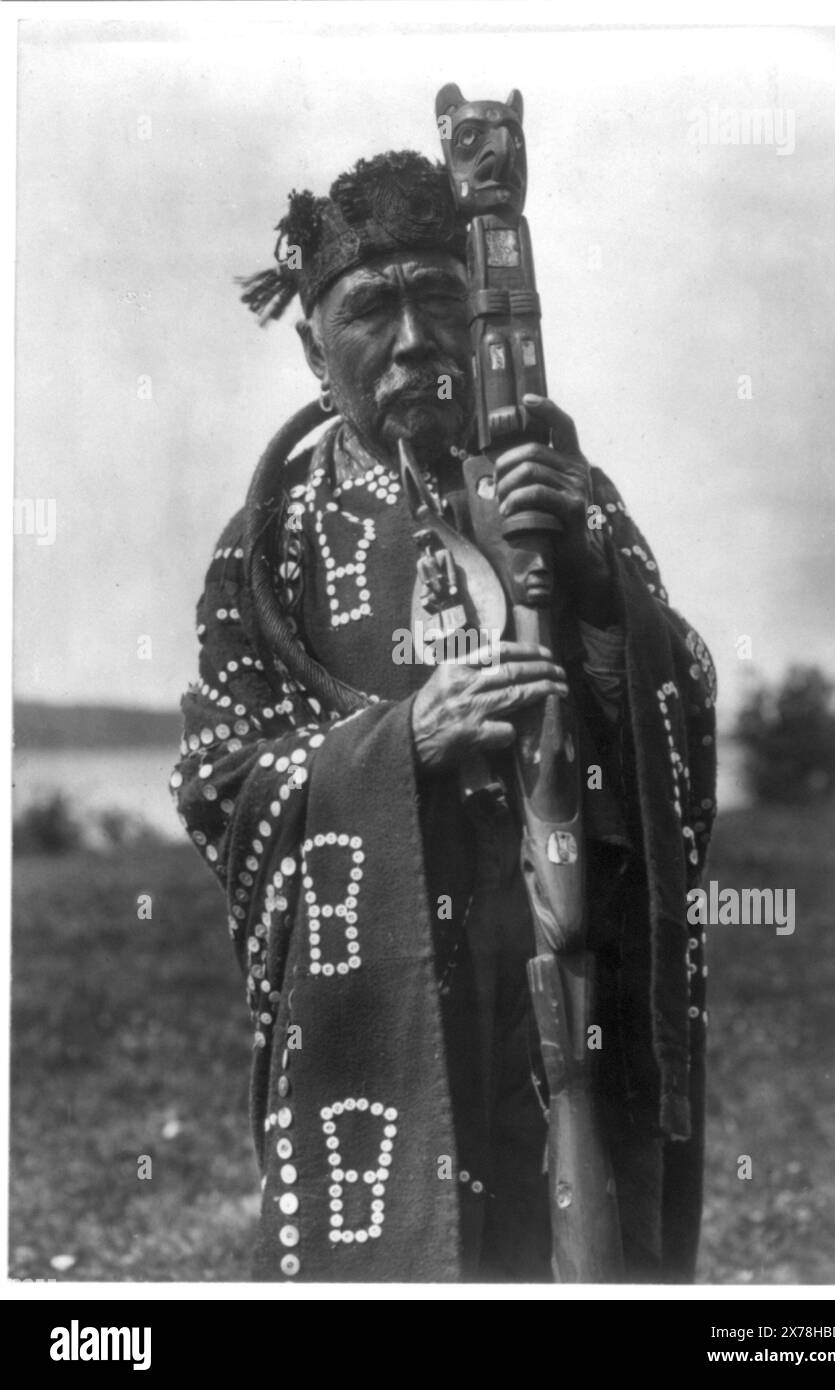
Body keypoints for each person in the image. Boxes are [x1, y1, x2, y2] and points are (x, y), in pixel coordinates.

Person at [171, 148, 718, 1283]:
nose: (416, 338)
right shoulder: (268, 546)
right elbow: (220, 782)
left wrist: (598, 595)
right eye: (373, 307)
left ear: (479, 319)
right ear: (316, 347)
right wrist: (399, 746)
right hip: (385, 1005)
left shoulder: (567, 496)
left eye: (441, 298)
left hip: (572, 993)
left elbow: (688, 712)